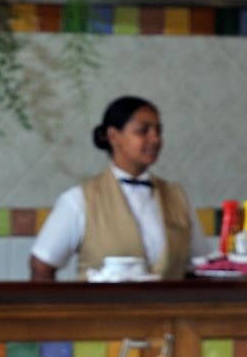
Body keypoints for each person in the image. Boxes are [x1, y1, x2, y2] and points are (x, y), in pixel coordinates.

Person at [28, 96, 195, 281]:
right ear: (114, 136)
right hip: (100, 310)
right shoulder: (80, 200)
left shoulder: (177, 197)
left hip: (168, 310)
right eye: (143, 131)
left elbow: (200, 265)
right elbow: (41, 265)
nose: (155, 139)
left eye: (158, 131)